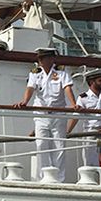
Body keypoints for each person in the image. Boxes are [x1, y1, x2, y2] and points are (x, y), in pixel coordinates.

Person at [15, 47, 76, 182]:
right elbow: (30, 88)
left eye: (43, 58)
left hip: (58, 114)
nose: (41, 61)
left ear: (51, 59)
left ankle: (58, 179)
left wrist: (73, 104)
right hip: (41, 115)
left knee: (59, 146)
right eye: (39, 58)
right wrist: (25, 101)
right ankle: (43, 178)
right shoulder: (35, 73)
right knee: (41, 144)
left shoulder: (61, 72)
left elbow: (67, 88)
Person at [68, 67, 101, 168]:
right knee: (90, 163)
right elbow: (76, 116)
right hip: (90, 132)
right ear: (92, 82)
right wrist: (68, 132)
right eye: (100, 80)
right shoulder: (83, 98)